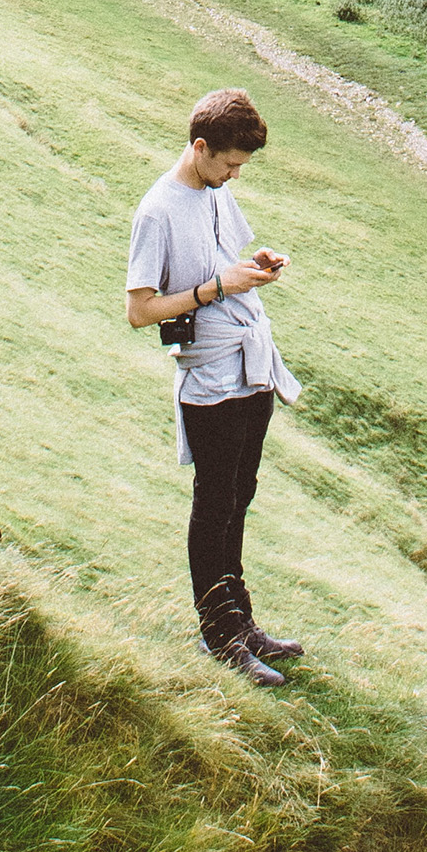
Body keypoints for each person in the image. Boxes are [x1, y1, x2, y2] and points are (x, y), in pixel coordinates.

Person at [124, 88, 304, 687]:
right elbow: (141, 311)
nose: (233, 175)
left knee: (240, 494)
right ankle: (220, 636)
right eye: (227, 163)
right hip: (210, 375)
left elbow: (224, 261)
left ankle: (241, 620)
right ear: (199, 147)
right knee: (215, 501)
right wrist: (215, 290)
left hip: (252, 364)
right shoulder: (157, 211)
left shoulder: (216, 192)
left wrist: (254, 264)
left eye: (240, 167)